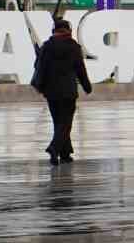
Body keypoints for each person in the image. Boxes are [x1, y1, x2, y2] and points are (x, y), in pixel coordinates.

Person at [31, 18, 93, 164]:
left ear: (54, 30)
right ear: (69, 30)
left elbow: (38, 65)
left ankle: (65, 153)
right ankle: (54, 148)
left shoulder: (47, 46)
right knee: (65, 123)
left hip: (51, 92)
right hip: (68, 92)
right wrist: (87, 86)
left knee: (59, 122)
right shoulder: (73, 47)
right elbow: (80, 69)